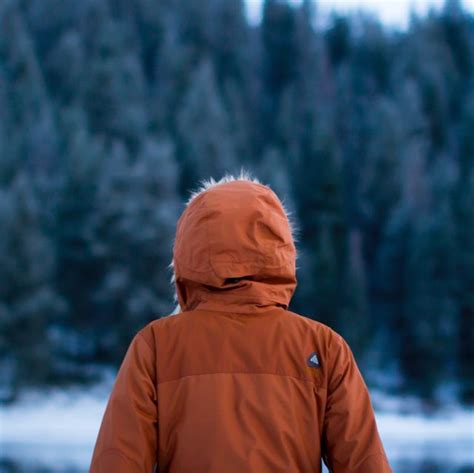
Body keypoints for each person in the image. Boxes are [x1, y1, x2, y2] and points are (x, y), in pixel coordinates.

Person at [90, 171, 392, 473]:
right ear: (280, 249)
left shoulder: (156, 345)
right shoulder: (323, 347)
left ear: (188, 250)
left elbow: (117, 463)